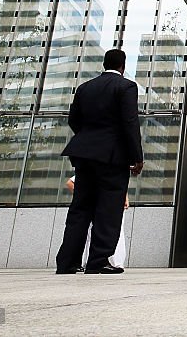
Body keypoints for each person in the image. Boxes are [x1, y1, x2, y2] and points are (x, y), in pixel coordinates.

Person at [56, 49, 144, 274]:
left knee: (80, 207)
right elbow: (130, 123)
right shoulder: (126, 87)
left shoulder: (85, 87)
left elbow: (73, 120)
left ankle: (68, 261)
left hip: (84, 154)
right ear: (123, 67)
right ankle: (97, 261)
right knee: (108, 210)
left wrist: (89, 139)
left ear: (104, 64)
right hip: (112, 157)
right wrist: (136, 157)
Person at [66, 175, 128, 270]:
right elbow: (70, 182)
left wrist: (124, 197)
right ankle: (92, 262)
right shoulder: (101, 167)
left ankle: (112, 262)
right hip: (101, 207)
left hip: (110, 205)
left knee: (113, 233)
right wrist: (86, 199)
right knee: (95, 234)